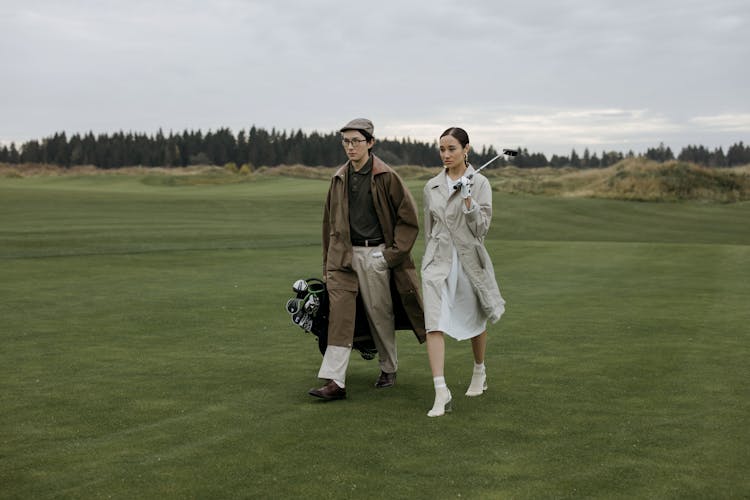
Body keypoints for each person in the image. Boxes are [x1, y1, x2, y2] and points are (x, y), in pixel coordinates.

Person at [308, 118, 426, 401]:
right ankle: (336, 381)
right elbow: (329, 225)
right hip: (343, 258)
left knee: (379, 313)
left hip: (376, 255)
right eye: (345, 142)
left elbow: (408, 219)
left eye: (356, 141)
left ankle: (388, 367)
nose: (350, 147)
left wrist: (390, 255)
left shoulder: (387, 176)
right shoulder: (338, 178)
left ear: (370, 143)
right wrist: (327, 265)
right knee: (339, 317)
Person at [420, 127, 506, 417]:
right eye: (441, 149)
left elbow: (482, 228)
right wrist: (428, 261)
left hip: (467, 260)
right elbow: (430, 230)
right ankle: (440, 390)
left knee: (475, 318)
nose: (445, 154)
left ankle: (479, 370)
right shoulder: (431, 186)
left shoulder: (480, 183)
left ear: (466, 149)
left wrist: (468, 201)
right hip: (438, 263)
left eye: (451, 149)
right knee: (433, 322)